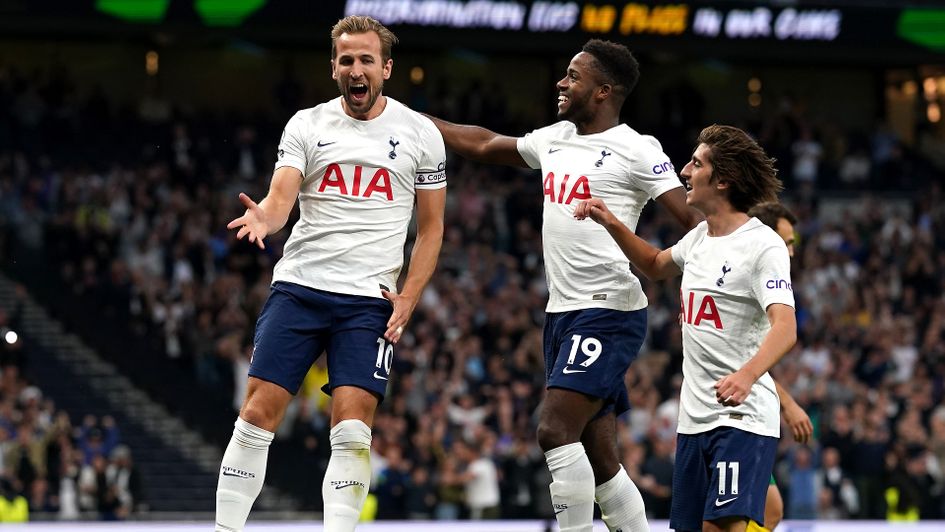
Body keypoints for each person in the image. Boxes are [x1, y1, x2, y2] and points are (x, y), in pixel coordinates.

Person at [428, 39, 700, 532]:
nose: (561, 82)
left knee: (554, 430)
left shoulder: (638, 149)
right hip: (562, 313)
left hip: (607, 310)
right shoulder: (555, 137)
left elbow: (694, 220)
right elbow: (485, 144)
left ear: (603, 91)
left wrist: (697, 277)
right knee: (601, 460)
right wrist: (413, 121)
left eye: (573, 76)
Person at [215, 15, 447, 532]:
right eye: (347, 60)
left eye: (366, 59)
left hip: (369, 301)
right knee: (255, 417)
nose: (356, 69)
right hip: (300, 287)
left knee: (352, 429)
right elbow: (280, 199)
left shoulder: (421, 133)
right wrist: (265, 218)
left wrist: (409, 296)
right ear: (334, 68)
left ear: (386, 68)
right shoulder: (307, 124)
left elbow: (432, 229)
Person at [574, 124, 797, 532]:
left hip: (741, 418)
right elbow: (655, 265)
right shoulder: (699, 238)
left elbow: (785, 327)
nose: (684, 171)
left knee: (723, 527)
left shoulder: (763, 245)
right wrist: (611, 222)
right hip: (693, 420)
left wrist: (747, 376)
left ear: (723, 180)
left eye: (696, 164)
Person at [745, 201, 813, 532]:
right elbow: (738, 359)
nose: (791, 252)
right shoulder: (748, 282)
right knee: (741, 514)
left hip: (747, 412)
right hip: (729, 418)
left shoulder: (766, 281)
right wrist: (789, 404)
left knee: (770, 510)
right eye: (787, 243)